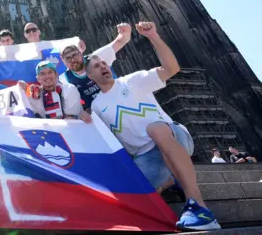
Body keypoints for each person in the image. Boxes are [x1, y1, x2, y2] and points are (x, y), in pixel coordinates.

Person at [86, 21, 220, 231]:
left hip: (173, 136)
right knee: (132, 198)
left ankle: (199, 207)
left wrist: (153, 37)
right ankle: (170, 179)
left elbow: (171, 69)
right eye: (96, 66)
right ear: (90, 77)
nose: (102, 66)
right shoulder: (96, 106)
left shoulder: (132, 80)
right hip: (146, 157)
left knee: (155, 130)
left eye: (104, 63)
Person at [60, 23, 131, 112]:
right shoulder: (65, 80)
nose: (73, 60)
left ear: (81, 53)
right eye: (68, 58)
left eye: (74, 55)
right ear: (63, 62)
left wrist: (126, 30)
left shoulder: (97, 57)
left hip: (123, 102)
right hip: (100, 116)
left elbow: (121, 41)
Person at [19, 61, 84, 120]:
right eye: (42, 74)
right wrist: (22, 91)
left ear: (56, 74)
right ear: (38, 79)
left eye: (50, 72)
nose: (47, 76)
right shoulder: (33, 95)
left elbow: (71, 119)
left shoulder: (69, 89)